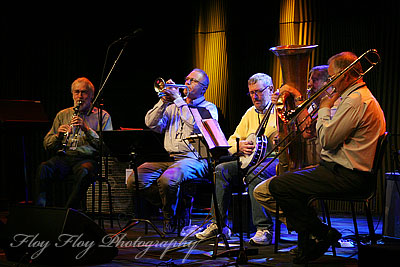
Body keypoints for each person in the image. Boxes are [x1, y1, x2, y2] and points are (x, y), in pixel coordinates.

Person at [254, 51, 386, 263]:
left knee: (280, 187)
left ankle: (322, 234)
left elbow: (327, 141)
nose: (331, 81)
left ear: (345, 74)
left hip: (348, 176)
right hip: (341, 170)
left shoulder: (355, 101)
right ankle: (310, 242)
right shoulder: (353, 97)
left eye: (333, 76)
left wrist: (324, 108)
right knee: (288, 186)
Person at [126, 68, 218, 234]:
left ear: (204, 88)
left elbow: (196, 125)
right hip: (172, 159)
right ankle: (177, 206)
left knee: (168, 180)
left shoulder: (209, 108)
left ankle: (170, 216)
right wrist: (163, 102)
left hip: (197, 159)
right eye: (187, 79)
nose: (187, 82)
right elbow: (151, 124)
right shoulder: (172, 106)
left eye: (193, 81)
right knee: (134, 180)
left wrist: (179, 101)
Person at [195, 73, 278, 245]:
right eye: (251, 93)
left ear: (270, 89)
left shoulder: (279, 110)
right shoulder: (250, 113)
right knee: (220, 170)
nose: (255, 96)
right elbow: (231, 141)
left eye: (259, 92)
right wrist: (238, 147)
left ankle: (265, 229)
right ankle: (218, 225)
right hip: (251, 160)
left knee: (255, 172)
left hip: (273, 161)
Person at [36, 77, 113, 209]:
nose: (80, 96)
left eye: (84, 92)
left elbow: (107, 147)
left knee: (84, 171)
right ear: (72, 94)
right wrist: (58, 136)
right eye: (76, 92)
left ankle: (68, 212)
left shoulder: (102, 116)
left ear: (91, 95)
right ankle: (40, 210)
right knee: (44, 168)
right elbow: (47, 145)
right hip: (65, 157)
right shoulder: (63, 114)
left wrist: (87, 129)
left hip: (88, 158)